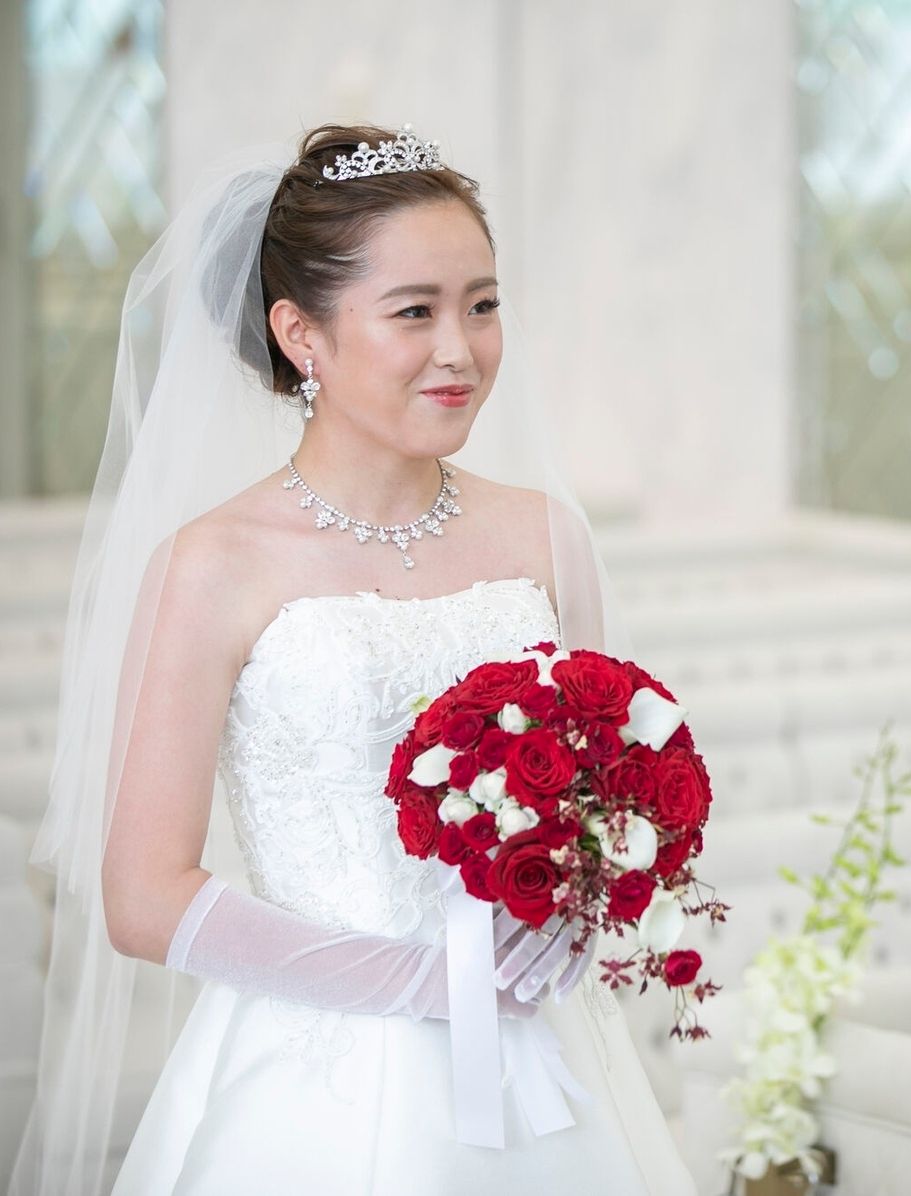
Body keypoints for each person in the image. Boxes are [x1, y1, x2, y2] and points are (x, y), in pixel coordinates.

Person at [8, 124, 698, 1195]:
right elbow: (142, 896)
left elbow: (601, 802)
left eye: (482, 303)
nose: (460, 349)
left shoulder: (545, 537)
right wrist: (423, 984)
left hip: (534, 1055)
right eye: (414, 311)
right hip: (315, 1078)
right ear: (302, 334)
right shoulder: (211, 564)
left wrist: (576, 900)